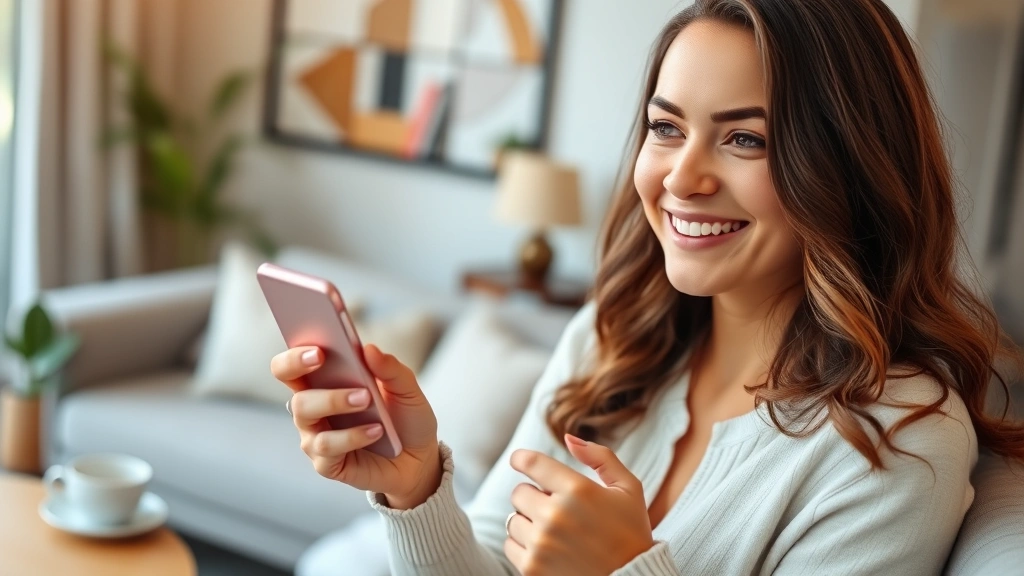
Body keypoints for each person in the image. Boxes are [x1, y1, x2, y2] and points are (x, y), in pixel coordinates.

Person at [271, 0, 1024, 574]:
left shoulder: (900, 441)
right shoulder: (612, 332)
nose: (681, 178)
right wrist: (416, 493)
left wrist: (626, 566)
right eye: (667, 128)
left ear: (849, 167)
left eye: (745, 139)